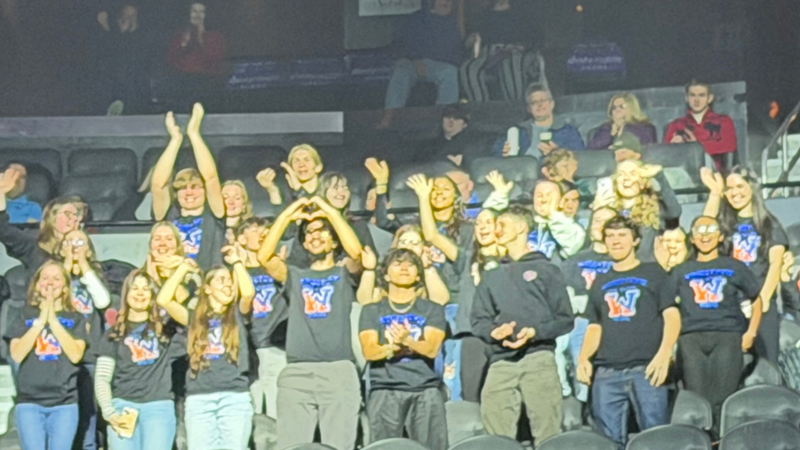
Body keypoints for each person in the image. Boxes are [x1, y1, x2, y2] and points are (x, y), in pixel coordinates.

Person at [256, 197, 363, 450]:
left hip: (338, 370)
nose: (314, 236)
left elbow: (357, 254)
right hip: (297, 373)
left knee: (339, 446)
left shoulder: (343, 273)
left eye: (321, 231)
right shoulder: (295, 275)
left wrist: (329, 210)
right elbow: (264, 257)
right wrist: (287, 216)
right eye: (308, 233)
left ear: (334, 239)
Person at [471, 205, 573, 444]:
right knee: (496, 436)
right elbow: (479, 319)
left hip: (539, 358)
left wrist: (535, 332)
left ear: (521, 228)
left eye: (502, 225)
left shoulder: (547, 270)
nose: (496, 231)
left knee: (548, 433)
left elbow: (565, 319)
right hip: (501, 361)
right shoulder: (492, 275)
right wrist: (494, 332)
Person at [577, 216, 680, 450]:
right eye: (610, 236)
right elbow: (594, 325)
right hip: (606, 372)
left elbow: (672, 316)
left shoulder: (653, 272)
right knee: (608, 443)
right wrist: (583, 357)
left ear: (635, 241)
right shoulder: (599, 280)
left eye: (622, 235)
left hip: (647, 369)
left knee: (655, 440)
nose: (616, 241)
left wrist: (665, 354)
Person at [666, 215, 762, 432]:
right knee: (699, 400)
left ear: (720, 237)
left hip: (726, 335)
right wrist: (669, 346)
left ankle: (724, 440)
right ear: (691, 238)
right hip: (691, 338)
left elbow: (757, 299)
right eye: (699, 230)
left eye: (710, 230)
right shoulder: (681, 271)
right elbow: (668, 309)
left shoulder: (733, 266)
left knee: (723, 398)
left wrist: (751, 333)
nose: (705, 235)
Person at [156, 259, 255, 450]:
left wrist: (237, 263)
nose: (227, 284)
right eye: (220, 280)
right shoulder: (194, 317)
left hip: (234, 397)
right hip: (199, 398)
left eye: (229, 280)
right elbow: (164, 300)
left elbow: (248, 293)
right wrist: (182, 268)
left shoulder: (237, 314)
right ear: (207, 289)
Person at [358, 248, 448, 450]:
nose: (404, 268)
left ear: (418, 274)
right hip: (385, 391)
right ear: (386, 275)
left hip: (425, 391)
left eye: (410, 264)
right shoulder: (372, 310)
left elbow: (432, 349)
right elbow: (370, 351)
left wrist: (407, 340)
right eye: (397, 263)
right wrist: (396, 346)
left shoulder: (432, 309)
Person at [702, 166, 788, 364]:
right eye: (730, 188)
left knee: (768, 364)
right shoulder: (724, 223)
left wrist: (762, 301)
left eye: (740, 186)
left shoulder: (769, 223)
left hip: (761, 305)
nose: (735, 193)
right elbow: (703, 229)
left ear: (752, 187)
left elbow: (775, 264)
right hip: (730, 305)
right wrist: (714, 194)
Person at [94, 270, 185, 450]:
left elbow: (185, 304)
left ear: (152, 295)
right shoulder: (114, 333)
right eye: (135, 288)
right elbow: (102, 378)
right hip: (122, 407)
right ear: (126, 293)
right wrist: (109, 412)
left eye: (145, 289)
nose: (140, 293)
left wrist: (180, 269)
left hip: (158, 408)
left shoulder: (166, 330)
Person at [6, 261, 88, 450]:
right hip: (30, 403)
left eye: (56, 278)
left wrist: (53, 320)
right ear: (36, 284)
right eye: (45, 278)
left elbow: (75, 355)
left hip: (64, 404)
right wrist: (41, 320)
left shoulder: (76, 319)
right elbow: (17, 354)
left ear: (66, 287)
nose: (50, 283)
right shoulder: (23, 314)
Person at [406, 173, 473, 401]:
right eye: (433, 189)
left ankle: (454, 408)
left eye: (445, 188)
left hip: (453, 304)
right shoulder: (414, 230)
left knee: (451, 362)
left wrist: (423, 197)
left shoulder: (466, 230)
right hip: (422, 306)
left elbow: (432, 235)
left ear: (456, 195)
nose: (438, 192)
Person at [229, 217, 286, 443]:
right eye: (254, 229)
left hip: (275, 346)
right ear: (241, 238)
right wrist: (238, 264)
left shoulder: (275, 266)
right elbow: (234, 303)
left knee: (275, 411)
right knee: (251, 411)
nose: (262, 233)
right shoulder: (236, 270)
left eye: (265, 230)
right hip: (249, 349)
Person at [54, 230, 110, 450]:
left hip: (89, 355)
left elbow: (103, 300)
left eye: (80, 241)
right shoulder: (53, 275)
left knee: (88, 418)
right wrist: (66, 265)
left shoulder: (93, 275)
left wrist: (84, 265)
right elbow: (58, 293)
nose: (75, 246)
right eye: (69, 241)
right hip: (59, 357)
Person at [151, 104, 226, 271]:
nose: (189, 192)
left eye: (195, 186)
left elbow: (211, 178)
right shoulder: (169, 215)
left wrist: (194, 134)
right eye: (182, 188)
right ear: (176, 194)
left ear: (205, 192)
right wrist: (175, 140)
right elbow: (158, 184)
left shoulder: (214, 214)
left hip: (207, 283)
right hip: (172, 282)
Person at [559, 206, 616, 403]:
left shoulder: (622, 260)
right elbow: (567, 294)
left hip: (616, 321)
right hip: (583, 322)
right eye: (597, 220)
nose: (600, 225)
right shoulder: (575, 260)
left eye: (607, 221)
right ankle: (584, 407)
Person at [380, 0, 462, 126]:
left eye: (449, 1)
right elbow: (403, 44)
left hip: (437, 65)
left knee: (450, 72)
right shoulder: (416, 18)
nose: (446, 2)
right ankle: (389, 115)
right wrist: (415, 59)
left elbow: (455, 51)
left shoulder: (451, 23)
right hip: (411, 61)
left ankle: (444, 117)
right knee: (401, 71)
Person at [0, 165, 85, 283]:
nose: (73, 219)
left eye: (76, 216)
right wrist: (1, 193)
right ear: (52, 218)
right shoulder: (34, 244)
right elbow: (4, 230)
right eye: (67, 214)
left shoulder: (83, 247)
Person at [285, 172, 375, 273]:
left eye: (345, 188)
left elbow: (371, 260)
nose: (341, 192)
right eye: (335, 188)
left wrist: (352, 265)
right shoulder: (311, 225)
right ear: (323, 192)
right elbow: (296, 263)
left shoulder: (359, 226)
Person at [460, 0, 543, 103]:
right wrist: (470, 40)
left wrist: (521, 46)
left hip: (515, 51)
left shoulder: (521, 10)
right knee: (468, 68)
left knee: (510, 64)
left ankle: (515, 108)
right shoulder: (484, 13)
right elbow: (472, 37)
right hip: (490, 53)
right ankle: (480, 109)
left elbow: (535, 37)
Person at [494, 84, 585, 159]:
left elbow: (580, 158)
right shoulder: (518, 131)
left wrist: (557, 153)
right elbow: (495, 153)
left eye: (543, 100)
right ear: (529, 109)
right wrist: (503, 153)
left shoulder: (568, 131)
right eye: (534, 102)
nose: (539, 105)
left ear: (552, 104)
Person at [664, 80, 737, 170]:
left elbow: (728, 147)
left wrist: (691, 147)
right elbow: (666, 155)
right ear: (687, 98)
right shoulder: (676, 125)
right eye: (692, 95)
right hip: (685, 173)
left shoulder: (723, 121)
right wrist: (674, 147)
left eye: (701, 95)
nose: (696, 100)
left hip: (715, 175)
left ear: (710, 98)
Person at [166, 1, 226, 111]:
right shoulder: (179, 36)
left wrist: (200, 36)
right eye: (194, 11)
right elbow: (172, 60)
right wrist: (184, 44)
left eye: (201, 12)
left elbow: (215, 59)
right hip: (183, 84)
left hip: (207, 84)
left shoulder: (214, 36)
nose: (197, 15)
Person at [99, 4, 152, 115]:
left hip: (135, 88)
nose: (128, 19)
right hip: (112, 86)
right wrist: (109, 29)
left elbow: (140, 60)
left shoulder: (143, 37)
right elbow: (108, 57)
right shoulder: (110, 37)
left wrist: (130, 33)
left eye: (132, 16)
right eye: (125, 16)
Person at [414, 104, 493, 167]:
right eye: (448, 116)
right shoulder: (427, 146)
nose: (451, 121)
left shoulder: (475, 144)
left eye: (457, 118)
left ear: (465, 124)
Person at [528, 179, 585, 263]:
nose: (543, 200)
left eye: (549, 195)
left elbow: (571, 245)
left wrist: (553, 214)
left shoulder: (571, 228)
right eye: (539, 196)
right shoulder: (525, 223)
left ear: (560, 201)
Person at [588, 93, 657, 150]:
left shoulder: (646, 127)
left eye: (622, 106)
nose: (617, 110)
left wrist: (624, 129)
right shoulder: (606, 128)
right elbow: (592, 148)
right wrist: (611, 135)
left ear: (632, 108)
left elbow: (648, 147)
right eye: (614, 108)